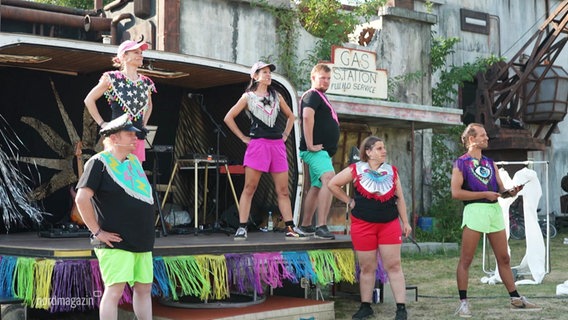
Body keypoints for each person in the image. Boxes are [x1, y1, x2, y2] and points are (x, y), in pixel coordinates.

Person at [451, 123, 541, 317]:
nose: (487, 138)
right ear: (471, 139)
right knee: (466, 259)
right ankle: (463, 302)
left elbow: (500, 191)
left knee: (504, 258)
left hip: (494, 211)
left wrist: (511, 192)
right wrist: (483, 193)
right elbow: (456, 193)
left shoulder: (490, 163)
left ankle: (516, 299)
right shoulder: (461, 163)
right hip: (475, 211)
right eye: (483, 135)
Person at [74, 114, 155, 320]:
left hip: (141, 239)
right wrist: (97, 232)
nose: (135, 138)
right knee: (115, 291)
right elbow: (82, 199)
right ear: (114, 138)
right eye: (129, 134)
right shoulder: (98, 162)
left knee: (144, 289)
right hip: (116, 241)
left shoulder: (134, 161)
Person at [329, 136, 411, 320]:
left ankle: (401, 309)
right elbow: (332, 184)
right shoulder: (356, 169)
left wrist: (405, 222)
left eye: (384, 148)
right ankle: (366, 306)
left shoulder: (392, 171)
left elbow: (400, 199)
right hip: (363, 225)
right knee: (367, 267)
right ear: (368, 152)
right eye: (379, 148)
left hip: (389, 224)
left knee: (394, 265)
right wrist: (348, 200)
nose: (384, 151)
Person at [224, 61, 306, 240]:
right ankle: (242, 226)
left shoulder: (276, 95)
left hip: (277, 145)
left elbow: (292, 116)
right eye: (265, 72)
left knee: (283, 190)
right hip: (258, 144)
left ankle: (290, 227)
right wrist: (244, 138)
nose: (269, 75)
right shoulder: (248, 97)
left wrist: (285, 134)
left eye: (270, 72)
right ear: (255, 76)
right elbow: (228, 118)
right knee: (250, 187)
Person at [84, 39, 156, 162]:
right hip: (117, 137)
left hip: (136, 137)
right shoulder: (112, 78)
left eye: (141, 52)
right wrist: (102, 123)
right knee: (115, 173)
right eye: (136, 52)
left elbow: (149, 105)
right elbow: (89, 99)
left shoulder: (146, 82)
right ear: (124, 56)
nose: (140, 55)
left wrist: (143, 123)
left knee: (134, 175)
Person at [298, 63, 339, 240]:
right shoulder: (312, 95)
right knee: (330, 179)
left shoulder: (321, 96)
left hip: (322, 151)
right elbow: (306, 117)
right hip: (315, 150)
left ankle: (306, 226)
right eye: (322, 77)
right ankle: (321, 226)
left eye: (328, 78)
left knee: (317, 186)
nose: (326, 81)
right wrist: (310, 144)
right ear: (313, 78)